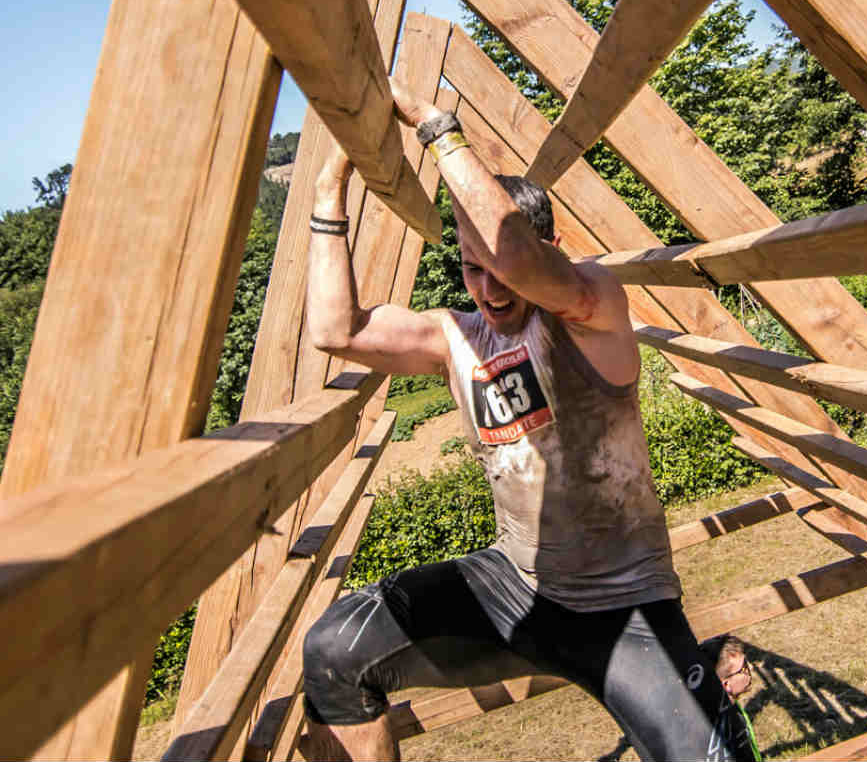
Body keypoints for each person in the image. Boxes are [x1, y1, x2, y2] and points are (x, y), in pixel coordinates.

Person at [298, 81, 755, 762]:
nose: (489, 287)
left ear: (552, 247)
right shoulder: (452, 338)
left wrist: (436, 127)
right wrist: (330, 180)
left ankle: (700, 675)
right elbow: (334, 329)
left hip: (624, 606)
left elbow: (514, 255)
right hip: (516, 589)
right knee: (335, 650)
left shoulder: (590, 305)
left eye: (499, 267)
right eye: (469, 269)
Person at [700, 635, 763, 760]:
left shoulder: (731, 708)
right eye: (744, 668)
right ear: (726, 684)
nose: (750, 668)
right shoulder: (724, 733)